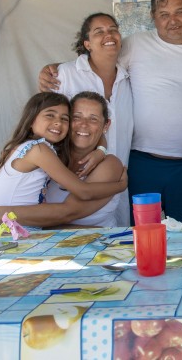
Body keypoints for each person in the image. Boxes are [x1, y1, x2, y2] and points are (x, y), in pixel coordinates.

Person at [39, 0, 182, 221]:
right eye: (164, 15)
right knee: (140, 231)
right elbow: (100, 57)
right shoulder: (135, 44)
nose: (172, 20)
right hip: (142, 161)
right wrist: (55, 70)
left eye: (180, 12)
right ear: (153, 17)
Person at [0, 92, 127, 229]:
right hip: (27, 236)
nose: (83, 124)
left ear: (105, 125)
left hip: (87, 246)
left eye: (93, 119)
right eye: (76, 117)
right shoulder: (47, 153)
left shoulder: (109, 164)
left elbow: (68, 213)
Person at [48, 13, 132, 225]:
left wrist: (101, 151)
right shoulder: (66, 74)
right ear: (87, 44)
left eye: (113, 29)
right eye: (99, 32)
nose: (109, 35)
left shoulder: (128, 78)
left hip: (115, 186)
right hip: (70, 186)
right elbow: (50, 126)